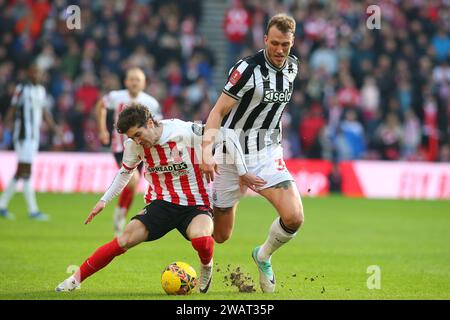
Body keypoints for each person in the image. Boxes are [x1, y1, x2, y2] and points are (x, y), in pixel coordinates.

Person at [56, 103, 264, 293]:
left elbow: (228, 135)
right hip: (161, 204)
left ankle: (206, 267)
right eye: (132, 138)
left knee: (201, 238)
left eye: (138, 134)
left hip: (196, 204)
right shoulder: (134, 146)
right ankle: (74, 280)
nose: (137, 141)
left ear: (149, 123)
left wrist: (242, 172)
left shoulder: (182, 131)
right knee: (123, 240)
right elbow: (125, 172)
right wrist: (103, 201)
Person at [201, 14, 304, 293]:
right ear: (264, 40)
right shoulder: (247, 69)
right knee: (221, 235)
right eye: (275, 44)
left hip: (267, 153)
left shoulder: (293, 68)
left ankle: (263, 256)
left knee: (294, 217)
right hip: (231, 154)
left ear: (292, 42)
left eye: (286, 44)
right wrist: (206, 151)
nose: (280, 50)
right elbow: (217, 111)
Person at [95, 67, 162, 236]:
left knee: (133, 186)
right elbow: (101, 106)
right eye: (131, 79)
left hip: (142, 148)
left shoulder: (151, 102)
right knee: (133, 179)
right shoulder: (116, 96)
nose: (134, 82)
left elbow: (158, 124)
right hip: (121, 147)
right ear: (126, 81)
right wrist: (102, 130)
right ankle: (119, 215)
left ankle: (120, 215)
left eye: (137, 79)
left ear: (144, 83)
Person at [0, 64, 60, 221]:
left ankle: (2, 205)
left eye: (39, 72)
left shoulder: (41, 91)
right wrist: (4, 127)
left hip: (34, 136)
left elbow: (45, 112)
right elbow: (12, 108)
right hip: (22, 135)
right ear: (29, 73)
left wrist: (54, 128)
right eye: (34, 72)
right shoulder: (22, 89)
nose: (37, 75)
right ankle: (33, 210)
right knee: (26, 170)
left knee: (21, 171)